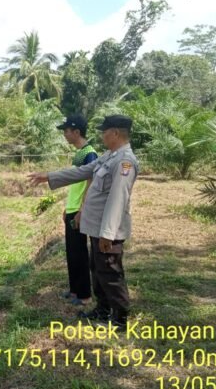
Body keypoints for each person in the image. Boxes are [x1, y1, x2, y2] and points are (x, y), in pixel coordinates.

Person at [28, 115, 139, 330]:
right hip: (96, 227)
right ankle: (103, 309)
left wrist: (108, 233)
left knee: (110, 272)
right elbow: (82, 172)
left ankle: (120, 319)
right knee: (97, 270)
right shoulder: (109, 156)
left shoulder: (125, 161)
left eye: (104, 131)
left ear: (115, 133)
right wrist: (49, 177)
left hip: (108, 230)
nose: (101, 135)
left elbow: (117, 200)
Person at [56, 115, 98, 306]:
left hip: (80, 210)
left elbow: (91, 182)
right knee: (72, 252)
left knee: (79, 252)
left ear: (77, 132)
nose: (65, 134)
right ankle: (75, 290)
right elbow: (76, 183)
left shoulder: (90, 153)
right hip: (72, 208)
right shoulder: (80, 153)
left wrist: (82, 209)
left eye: (67, 131)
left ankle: (85, 295)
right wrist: (68, 206)